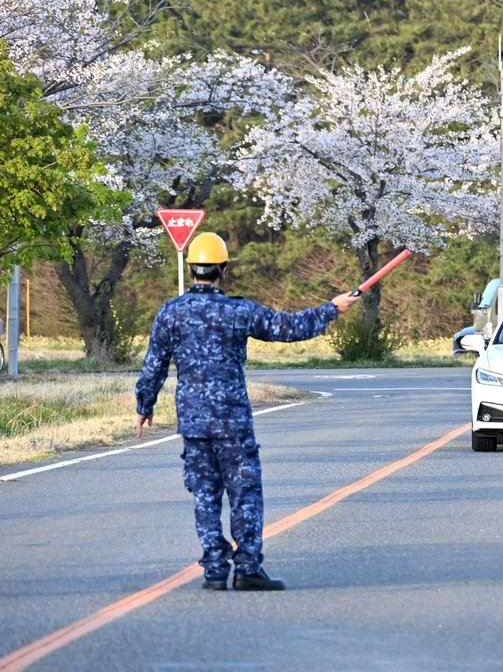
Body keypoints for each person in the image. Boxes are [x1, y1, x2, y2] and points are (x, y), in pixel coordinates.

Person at [135, 232, 359, 591]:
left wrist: (144, 405)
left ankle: (213, 572)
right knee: (245, 494)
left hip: (194, 422)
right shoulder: (238, 311)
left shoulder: (170, 313)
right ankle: (248, 569)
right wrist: (332, 309)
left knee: (205, 495)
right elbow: (290, 328)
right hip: (233, 422)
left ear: (192, 268)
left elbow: (154, 366)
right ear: (223, 270)